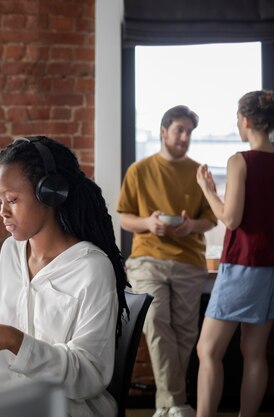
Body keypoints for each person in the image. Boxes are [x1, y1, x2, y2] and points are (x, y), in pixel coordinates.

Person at [0, 136, 129, 417]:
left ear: (51, 194)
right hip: (2, 391)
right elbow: (6, 308)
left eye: (12, 200)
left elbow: (89, 375)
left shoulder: (91, 268)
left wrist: (13, 340)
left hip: (62, 404)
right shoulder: (11, 251)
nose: (2, 212)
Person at [195, 91, 274, 417]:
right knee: (254, 354)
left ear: (244, 121)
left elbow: (230, 218)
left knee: (207, 350)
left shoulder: (239, 161)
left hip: (244, 268)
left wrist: (207, 191)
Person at [117, 105, 217, 417]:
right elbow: (124, 218)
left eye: (189, 132)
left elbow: (211, 219)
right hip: (148, 260)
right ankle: (173, 403)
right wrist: (149, 223)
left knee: (186, 332)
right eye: (180, 131)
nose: (185, 137)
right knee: (157, 322)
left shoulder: (198, 171)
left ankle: (169, 406)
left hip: (189, 261)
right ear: (164, 131)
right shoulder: (140, 170)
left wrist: (191, 226)